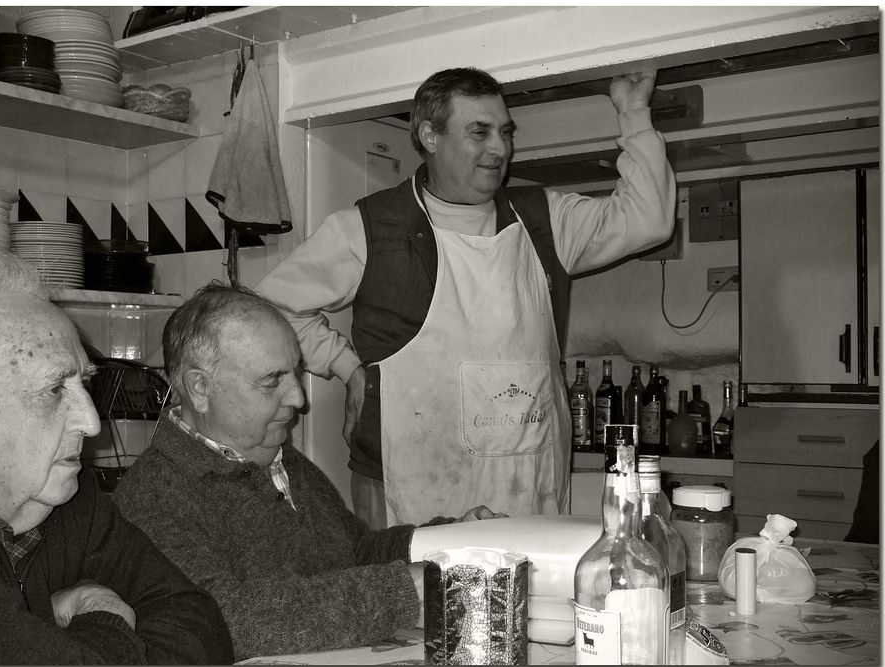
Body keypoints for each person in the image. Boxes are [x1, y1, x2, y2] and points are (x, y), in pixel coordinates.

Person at [255, 66, 676, 528]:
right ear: (430, 135)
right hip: (409, 489)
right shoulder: (369, 229)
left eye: (504, 132)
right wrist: (347, 367)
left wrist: (634, 112)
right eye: (480, 132)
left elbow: (649, 220)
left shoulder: (545, 221)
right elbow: (269, 308)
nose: (500, 148)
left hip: (528, 486)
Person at [113, 282, 501, 661]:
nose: (298, 398)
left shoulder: (283, 461)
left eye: (295, 373)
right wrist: (408, 591)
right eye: (272, 381)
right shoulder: (155, 495)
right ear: (199, 388)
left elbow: (358, 551)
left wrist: (451, 542)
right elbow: (222, 620)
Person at [0, 250, 234, 665]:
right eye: (54, 390)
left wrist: (52, 642)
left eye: (85, 384)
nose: (92, 423)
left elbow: (199, 624)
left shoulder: (62, 498)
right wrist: (101, 616)